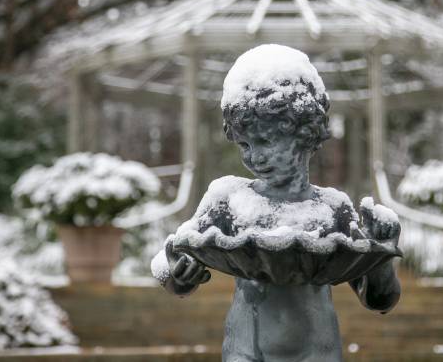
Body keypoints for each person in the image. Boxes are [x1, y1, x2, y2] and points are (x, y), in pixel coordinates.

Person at [152, 44, 400, 361]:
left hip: (317, 353)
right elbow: (166, 269)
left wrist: (381, 257)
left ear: (306, 133)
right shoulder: (227, 199)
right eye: (244, 144)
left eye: (267, 141)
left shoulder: (331, 208)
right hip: (245, 352)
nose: (254, 156)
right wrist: (177, 272)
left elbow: (380, 300)